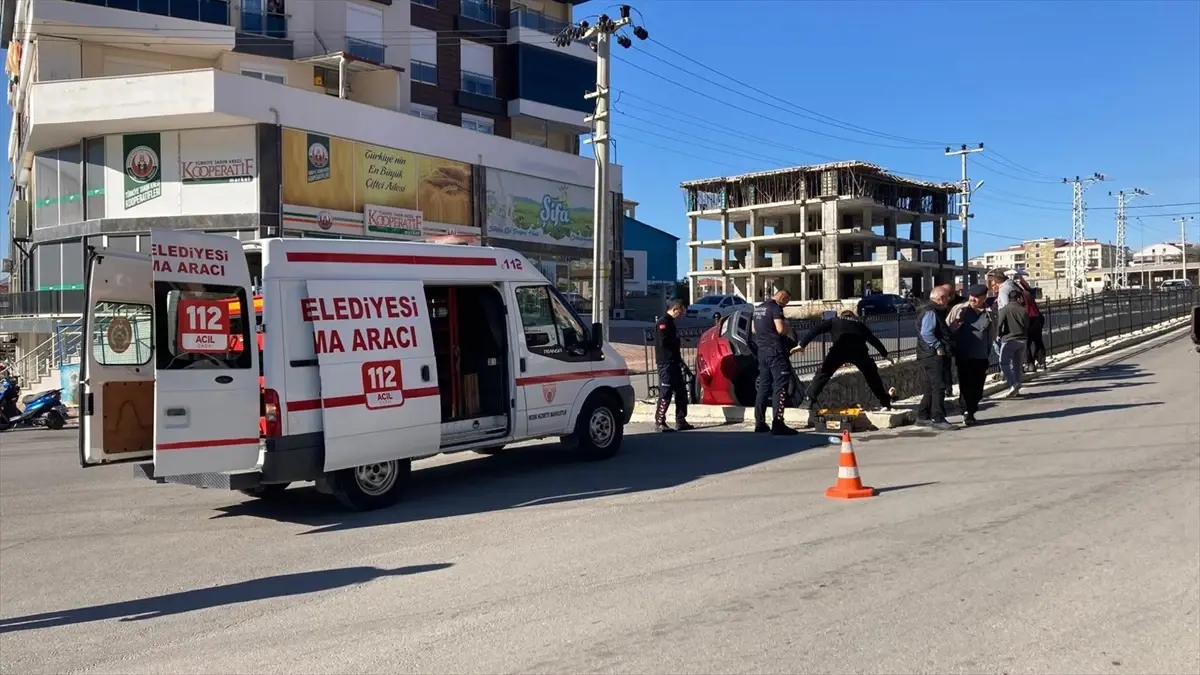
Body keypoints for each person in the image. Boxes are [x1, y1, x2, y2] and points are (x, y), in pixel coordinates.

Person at [794, 310, 894, 421]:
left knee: (823, 374)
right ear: (853, 317)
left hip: (839, 350)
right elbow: (873, 339)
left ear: (842, 316)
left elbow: (815, 330)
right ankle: (885, 402)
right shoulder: (859, 324)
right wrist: (885, 354)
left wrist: (802, 344)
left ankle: (808, 401)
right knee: (872, 375)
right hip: (859, 351)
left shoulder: (834, 321)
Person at [753, 289, 800, 435]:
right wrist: (788, 328)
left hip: (762, 351)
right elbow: (780, 329)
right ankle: (778, 423)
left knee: (763, 387)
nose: (785, 305)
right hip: (775, 351)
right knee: (780, 386)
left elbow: (754, 330)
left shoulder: (758, 308)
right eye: (786, 302)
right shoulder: (775, 308)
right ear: (782, 296)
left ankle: (759, 423)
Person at [948, 284, 993, 426]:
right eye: (971, 296)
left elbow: (992, 333)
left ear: (984, 297)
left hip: (981, 355)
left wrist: (989, 350)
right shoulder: (959, 309)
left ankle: (972, 407)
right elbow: (947, 329)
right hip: (963, 354)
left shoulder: (989, 312)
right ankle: (967, 411)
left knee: (978, 386)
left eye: (977, 297)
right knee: (965, 384)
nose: (973, 299)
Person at [915, 284, 956, 430]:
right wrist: (938, 347)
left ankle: (922, 416)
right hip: (932, 355)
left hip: (926, 354)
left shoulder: (931, 310)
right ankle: (938, 418)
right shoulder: (931, 312)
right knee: (939, 386)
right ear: (942, 298)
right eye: (948, 298)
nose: (949, 301)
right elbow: (927, 333)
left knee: (929, 386)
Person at [653, 301, 694, 433]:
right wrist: (676, 341)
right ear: (675, 309)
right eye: (681, 312)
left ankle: (681, 420)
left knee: (681, 392)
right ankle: (660, 422)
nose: (681, 315)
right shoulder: (663, 323)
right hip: (665, 362)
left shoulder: (671, 323)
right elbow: (663, 341)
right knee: (666, 392)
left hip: (674, 362)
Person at [997, 288, 1029, 397]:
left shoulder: (1005, 309)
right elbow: (1027, 325)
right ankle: (1017, 389)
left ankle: (1013, 384)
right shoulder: (1024, 310)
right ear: (1019, 298)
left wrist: (998, 335)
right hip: (1022, 339)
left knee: (1004, 363)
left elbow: (999, 324)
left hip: (1009, 339)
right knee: (1017, 365)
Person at [1018, 276, 1046, 371]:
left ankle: (1029, 364)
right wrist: (1020, 279)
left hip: (1028, 319)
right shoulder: (1027, 292)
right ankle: (1041, 362)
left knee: (1025, 342)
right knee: (1037, 340)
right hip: (1037, 317)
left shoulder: (1019, 295)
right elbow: (1028, 287)